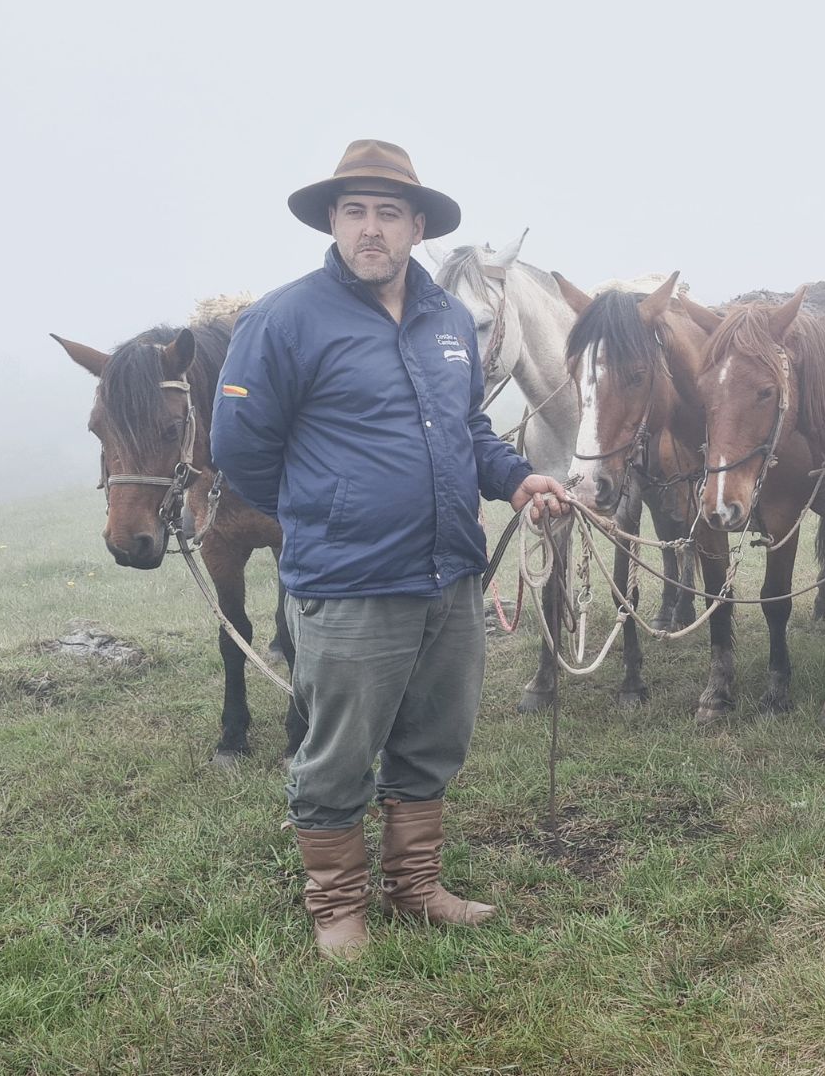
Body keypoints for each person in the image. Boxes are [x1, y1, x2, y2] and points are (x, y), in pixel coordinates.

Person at [212, 139, 569, 956]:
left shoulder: (447, 319)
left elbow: (468, 428)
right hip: (348, 581)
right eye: (355, 212)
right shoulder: (284, 320)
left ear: (416, 226)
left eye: (388, 213)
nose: (371, 229)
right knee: (337, 751)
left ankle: (415, 888)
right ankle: (338, 907)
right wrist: (325, 511)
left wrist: (517, 479)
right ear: (334, 222)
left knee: (433, 737)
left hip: (450, 572)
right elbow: (240, 448)